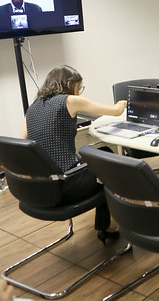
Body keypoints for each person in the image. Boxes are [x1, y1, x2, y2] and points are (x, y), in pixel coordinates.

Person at [21, 65, 126, 244]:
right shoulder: (69, 100)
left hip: (39, 187)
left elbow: (22, 143)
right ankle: (107, 226)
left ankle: (106, 223)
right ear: (69, 84)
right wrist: (124, 102)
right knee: (109, 165)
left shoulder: (33, 108)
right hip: (66, 184)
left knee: (104, 153)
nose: (79, 92)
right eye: (79, 87)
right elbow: (116, 111)